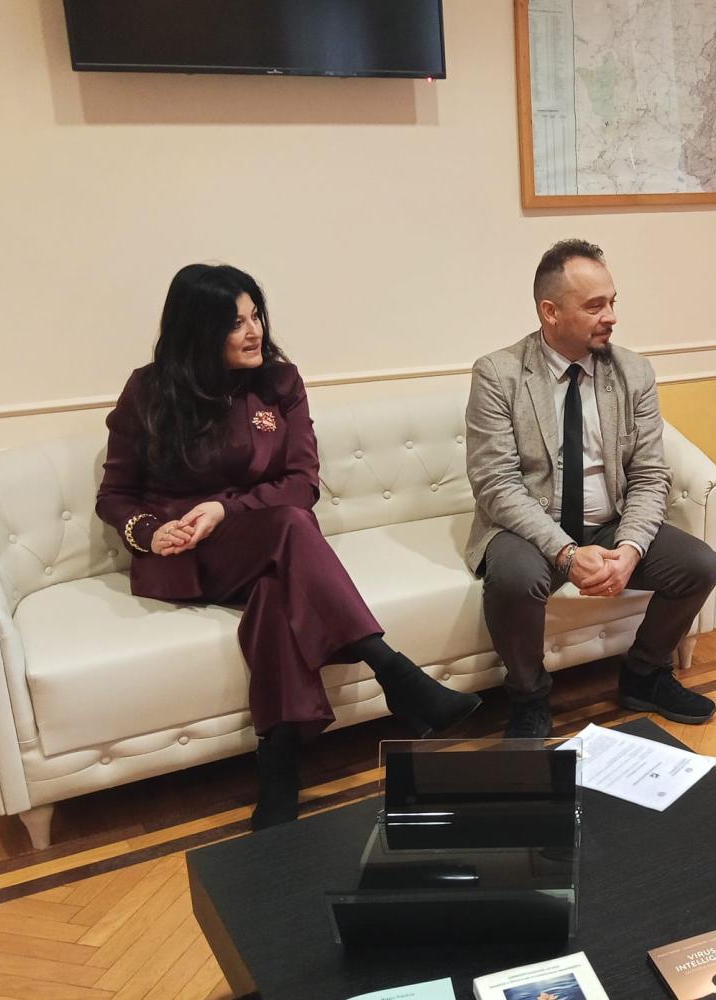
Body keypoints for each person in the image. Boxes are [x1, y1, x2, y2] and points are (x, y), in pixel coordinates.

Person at [96, 263, 479, 831]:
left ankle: (278, 763)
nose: (254, 331)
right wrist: (150, 532)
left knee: (279, 582)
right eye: (235, 323)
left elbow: (302, 483)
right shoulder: (149, 391)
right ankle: (394, 672)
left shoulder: (280, 383)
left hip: (268, 539)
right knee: (292, 529)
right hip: (188, 553)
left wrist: (228, 509)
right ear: (197, 330)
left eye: (256, 316)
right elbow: (115, 495)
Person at [465, 239, 716, 738]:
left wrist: (630, 548)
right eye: (594, 305)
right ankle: (528, 695)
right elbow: (496, 484)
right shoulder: (498, 374)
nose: (612, 317)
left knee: (700, 565)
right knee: (514, 579)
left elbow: (650, 473)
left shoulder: (633, 372)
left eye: (612, 301)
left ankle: (645, 674)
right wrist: (565, 554)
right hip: (530, 528)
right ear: (550, 312)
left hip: (609, 522)